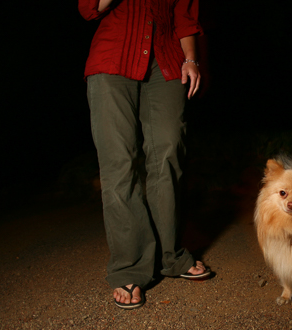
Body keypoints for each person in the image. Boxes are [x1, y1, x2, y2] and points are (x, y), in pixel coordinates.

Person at [78, 0, 210, 310]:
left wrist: (192, 60)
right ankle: (130, 266)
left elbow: (186, 18)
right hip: (113, 60)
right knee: (119, 164)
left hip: (166, 62)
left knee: (169, 153)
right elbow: (89, 8)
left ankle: (171, 255)